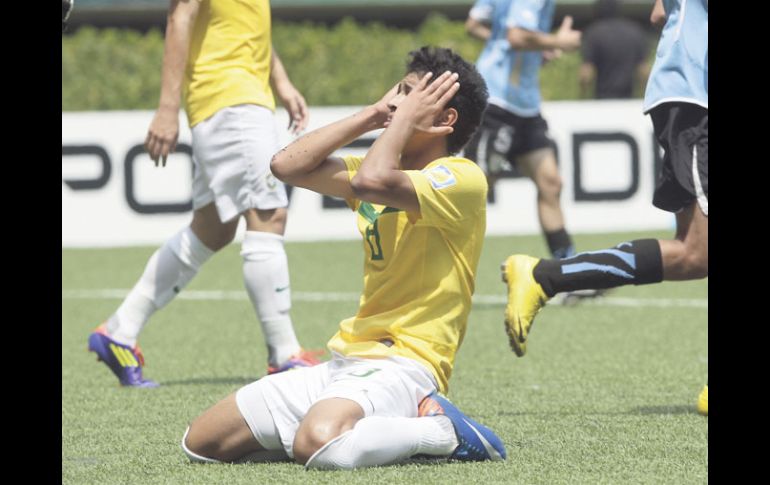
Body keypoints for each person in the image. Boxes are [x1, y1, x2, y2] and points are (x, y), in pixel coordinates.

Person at [179, 46, 508, 468]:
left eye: (412, 96)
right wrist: (374, 115)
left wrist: (401, 121)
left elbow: (373, 181)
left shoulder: (461, 178)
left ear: (446, 120)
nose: (397, 103)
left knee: (316, 443)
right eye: (398, 91)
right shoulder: (378, 167)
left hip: (404, 364)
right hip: (347, 360)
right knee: (202, 442)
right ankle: (348, 430)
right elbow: (286, 165)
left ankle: (443, 431)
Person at [87, 0, 320, 388]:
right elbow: (179, 17)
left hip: (235, 99)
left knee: (213, 229)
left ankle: (119, 330)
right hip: (232, 101)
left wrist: (280, 81)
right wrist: (166, 109)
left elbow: (245, 27)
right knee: (268, 215)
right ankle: (284, 354)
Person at [501, 0, 707, 415]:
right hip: (695, 99)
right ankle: (544, 275)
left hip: (685, 97)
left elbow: (657, 13)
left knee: (693, 254)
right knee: (699, 250)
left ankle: (545, 275)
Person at [579, 0, 651, 99]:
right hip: (628, 98)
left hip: (602, 98)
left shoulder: (593, 33)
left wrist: (583, 95)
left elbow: (586, 72)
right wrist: (644, 97)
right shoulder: (634, 31)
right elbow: (644, 70)